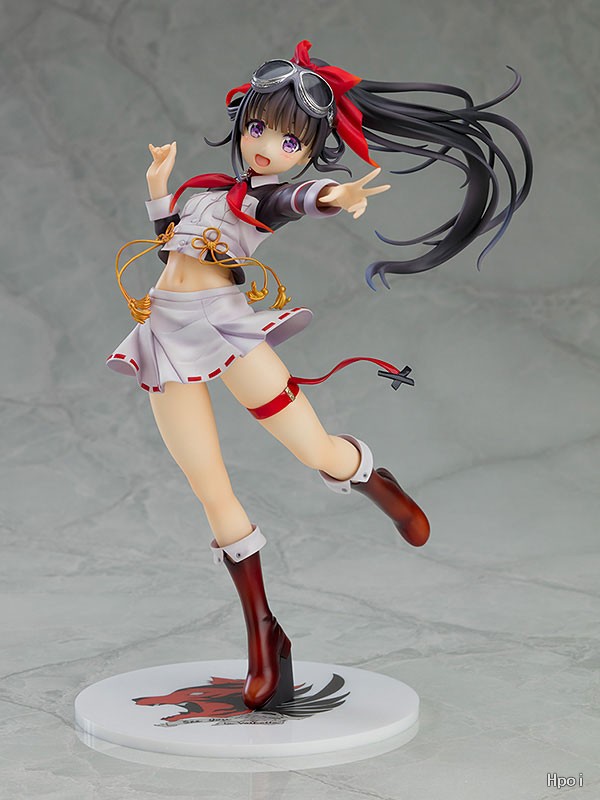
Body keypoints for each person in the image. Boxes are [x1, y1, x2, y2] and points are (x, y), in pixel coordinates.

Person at [107, 41, 532, 711]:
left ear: (308, 151)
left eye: (289, 141)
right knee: (210, 489)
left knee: (312, 449)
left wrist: (334, 194)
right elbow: (169, 244)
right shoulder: (205, 192)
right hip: (165, 338)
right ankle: (266, 637)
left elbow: (297, 199)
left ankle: (368, 476)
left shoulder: (262, 200)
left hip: (227, 332)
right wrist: (159, 186)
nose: (265, 147)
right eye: (257, 128)